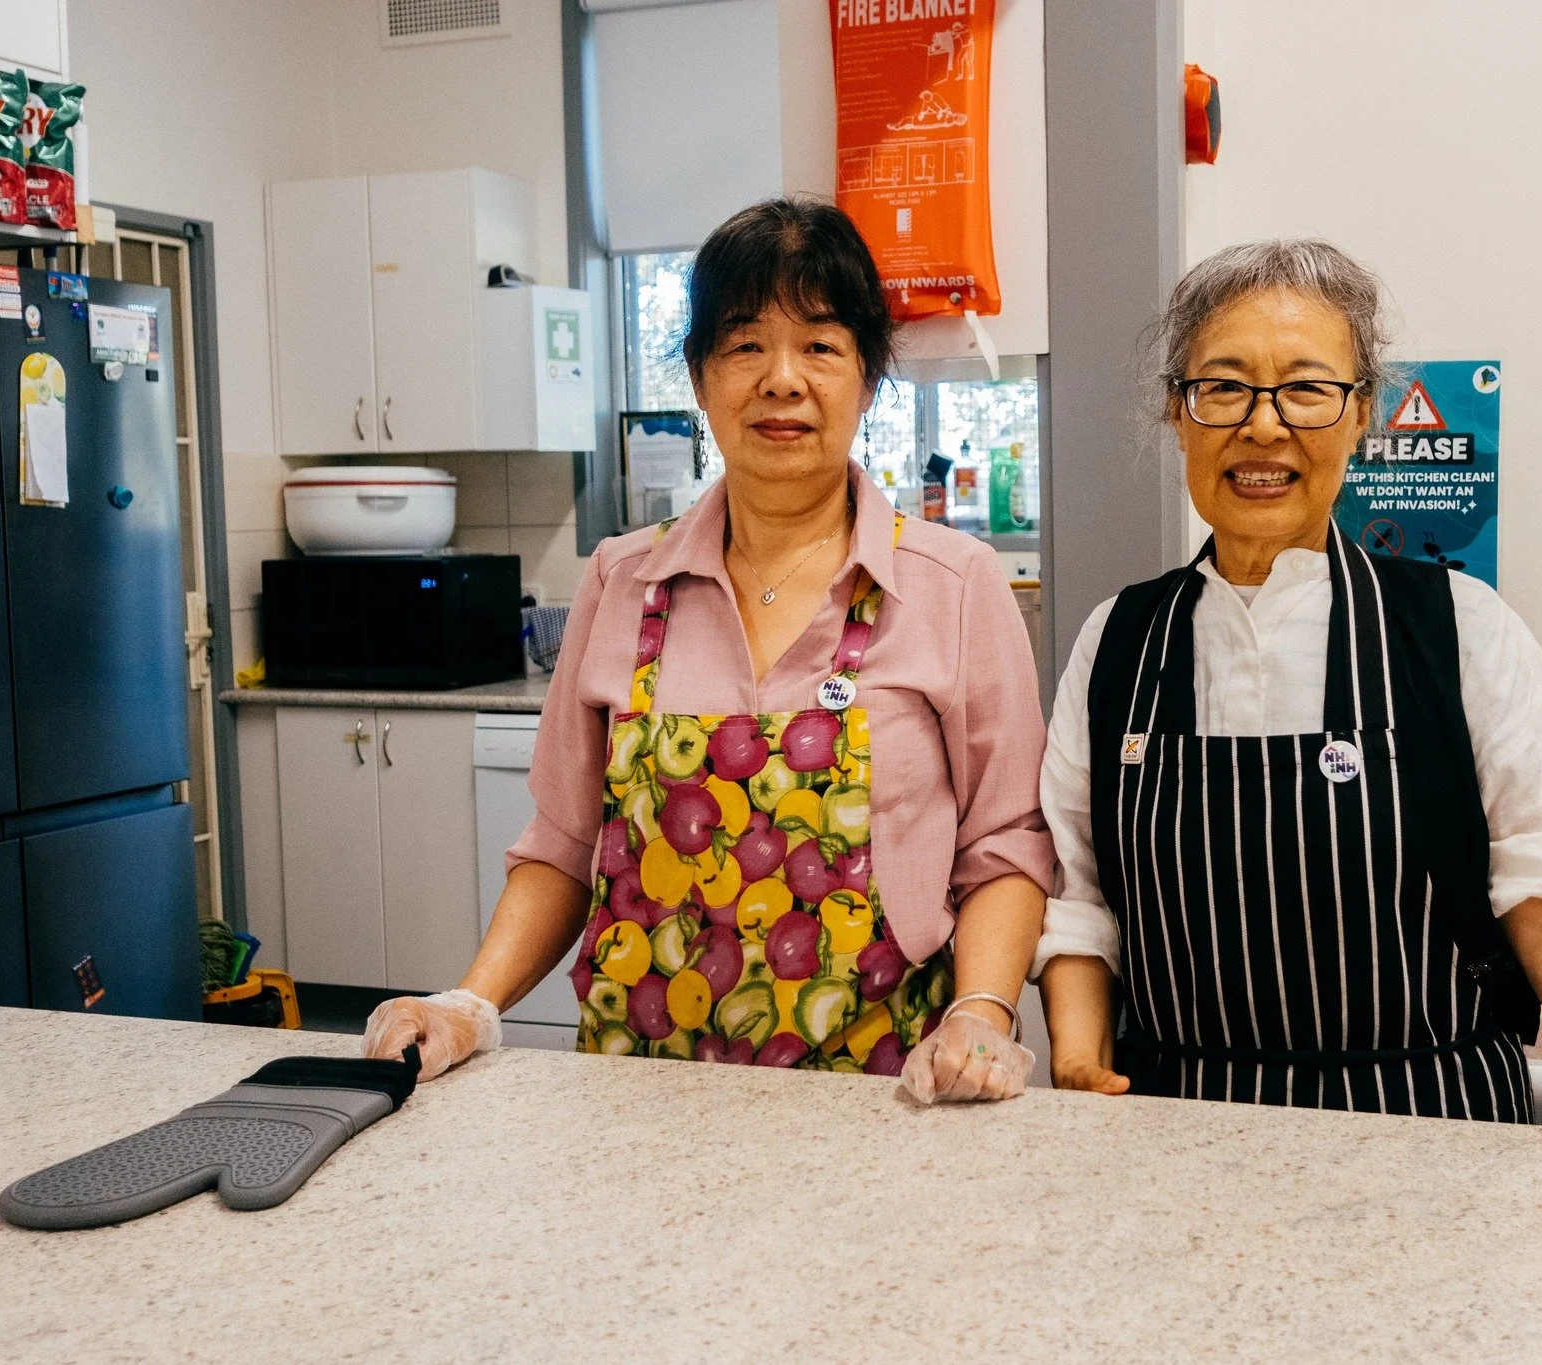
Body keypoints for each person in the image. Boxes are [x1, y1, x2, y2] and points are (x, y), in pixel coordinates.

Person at [1034, 239, 1542, 1151]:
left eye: (1307, 388)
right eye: (1226, 386)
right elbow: (1082, 903)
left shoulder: (1460, 629)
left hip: (1432, 1128)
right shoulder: (1119, 639)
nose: (1263, 425)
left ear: (1363, 412)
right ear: (1177, 410)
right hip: (1176, 1125)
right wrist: (1079, 1061)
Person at [365, 199, 1050, 1103]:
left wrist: (981, 1012)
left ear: (868, 375)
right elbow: (564, 844)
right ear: (698, 375)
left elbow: (1003, 844)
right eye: (743, 345)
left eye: (820, 345)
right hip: (637, 1102)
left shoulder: (955, 584)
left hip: (884, 1103)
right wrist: (469, 1002)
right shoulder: (621, 581)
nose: (781, 379)